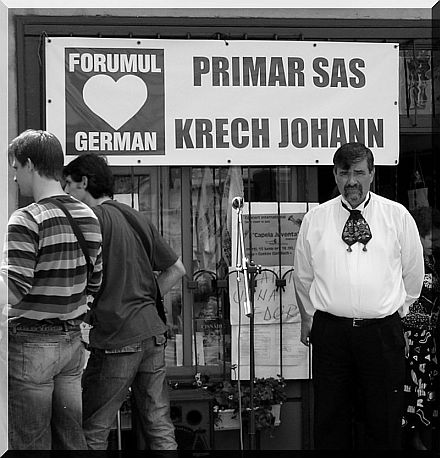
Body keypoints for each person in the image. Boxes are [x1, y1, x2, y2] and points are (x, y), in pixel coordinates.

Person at [293, 142, 424, 450]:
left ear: (372, 174)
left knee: (383, 419)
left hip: (381, 334)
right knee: (330, 419)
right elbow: (302, 276)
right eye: (344, 173)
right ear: (335, 175)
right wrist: (309, 319)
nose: (351, 181)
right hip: (331, 334)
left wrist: (397, 314)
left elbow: (413, 273)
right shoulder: (316, 219)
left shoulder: (397, 216)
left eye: (359, 173)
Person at [63, 153, 186, 450]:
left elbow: (77, 277)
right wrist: (143, 297)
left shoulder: (89, 220)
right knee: (158, 425)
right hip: (152, 333)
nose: (65, 193)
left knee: (92, 428)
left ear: (84, 182)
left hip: (117, 335)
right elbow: (177, 270)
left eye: (67, 184)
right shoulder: (135, 216)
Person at [2, 129, 103, 449]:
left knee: (31, 443)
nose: (15, 178)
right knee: (72, 440)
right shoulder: (87, 215)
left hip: (31, 346)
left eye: (15, 168)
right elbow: (95, 282)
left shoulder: (26, 219)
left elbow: (13, 289)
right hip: (71, 344)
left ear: (29, 165)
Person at [401, 206, 440, 450]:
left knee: (426, 392)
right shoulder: (406, 260)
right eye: (430, 237)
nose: (434, 242)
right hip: (408, 338)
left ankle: (422, 437)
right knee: (410, 391)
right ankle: (411, 439)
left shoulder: (432, 261)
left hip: (428, 340)